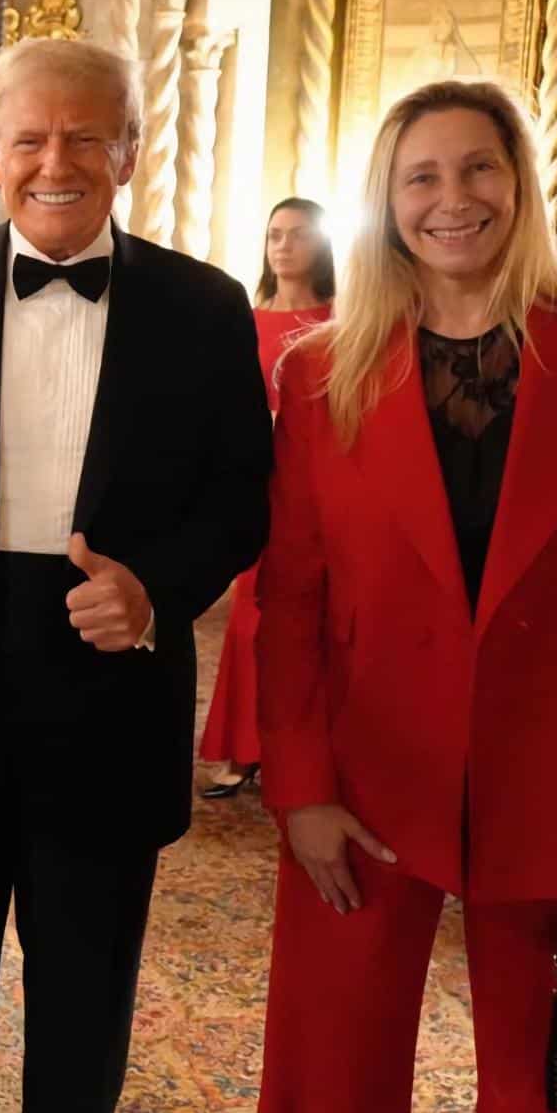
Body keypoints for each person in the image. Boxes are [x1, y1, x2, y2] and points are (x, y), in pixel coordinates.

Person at [0, 38, 271, 1111]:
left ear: (131, 150)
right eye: (28, 137)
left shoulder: (203, 307)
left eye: (84, 136)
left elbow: (242, 499)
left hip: (107, 686)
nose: (53, 160)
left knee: (83, 1007)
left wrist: (155, 587)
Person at [256, 79, 557, 1113]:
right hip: (366, 770)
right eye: (422, 175)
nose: (451, 197)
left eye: (478, 167)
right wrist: (301, 786)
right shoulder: (323, 372)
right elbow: (293, 595)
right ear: (389, 199)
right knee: (333, 1062)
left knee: (545, 1069)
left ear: (521, 184)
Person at [198, 198, 335, 799]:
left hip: (317, 485)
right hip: (257, 480)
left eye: (298, 235)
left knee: (313, 616)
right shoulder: (242, 321)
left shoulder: (344, 320)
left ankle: (297, 748)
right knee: (252, 614)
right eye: (274, 234)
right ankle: (243, 746)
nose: (283, 246)